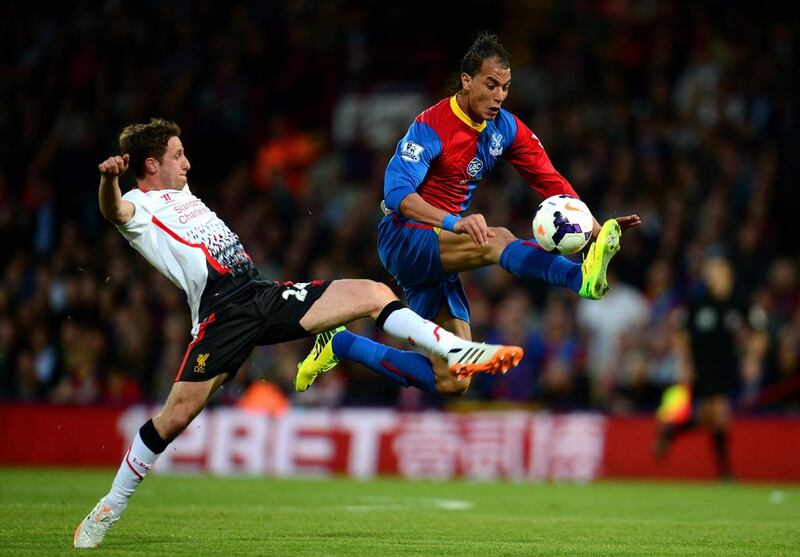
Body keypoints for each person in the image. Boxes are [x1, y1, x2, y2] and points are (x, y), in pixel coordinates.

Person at [73, 118, 523, 548]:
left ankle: (454, 348)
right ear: (150, 165)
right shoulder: (140, 207)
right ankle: (108, 508)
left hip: (260, 292)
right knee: (174, 419)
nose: (187, 163)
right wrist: (109, 180)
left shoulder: (182, 191)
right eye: (177, 154)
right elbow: (113, 210)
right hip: (221, 316)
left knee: (372, 292)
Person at [318, 32, 639, 397]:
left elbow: (550, 179)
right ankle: (578, 278)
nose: (500, 96)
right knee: (494, 238)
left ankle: (341, 345)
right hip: (405, 236)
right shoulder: (431, 127)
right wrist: (455, 222)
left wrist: (599, 229)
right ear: (467, 81)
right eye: (491, 84)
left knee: (455, 377)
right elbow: (397, 196)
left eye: (505, 86)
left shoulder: (504, 127)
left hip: (441, 253)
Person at [652, 252, 756, 480]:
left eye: (718, 270)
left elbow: (756, 331)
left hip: (727, 366)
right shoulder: (697, 300)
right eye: (710, 271)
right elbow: (678, 329)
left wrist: (751, 359)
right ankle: (725, 471)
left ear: (728, 273)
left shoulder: (739, 301)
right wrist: (685, 361)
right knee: (720, 414)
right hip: (702, 364)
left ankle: (671, 432)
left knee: (710, 417)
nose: (713, 275)